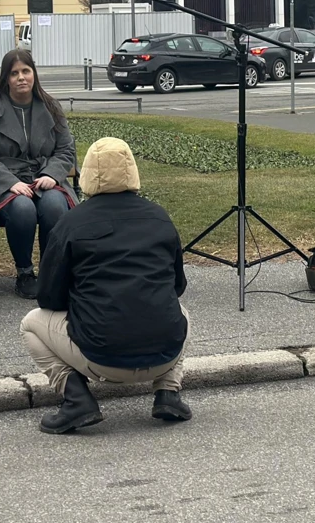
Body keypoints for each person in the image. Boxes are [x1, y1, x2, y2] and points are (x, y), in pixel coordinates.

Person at [21, 137, 191, 434]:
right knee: (182, 312)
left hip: (101, 359)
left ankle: (76, 399)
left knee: (31, 324)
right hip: (166, 354)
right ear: (132, 171)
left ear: (87, 173)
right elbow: (177, 287)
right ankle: (168, 392)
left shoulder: (71, 223)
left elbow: (47, 297)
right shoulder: (160, 217)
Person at [0, 50, 77, 299]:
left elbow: (65, 149)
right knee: (22, 208)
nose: (21, 78)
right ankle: (25, 273)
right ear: (6, 78)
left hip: (44, 177)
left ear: (34, 74)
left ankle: (53, 272)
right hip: (4, 182)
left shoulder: (51, 107)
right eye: (14, 73)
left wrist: (52, 173)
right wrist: (11, 182)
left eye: (25, 71)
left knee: (55, 205)